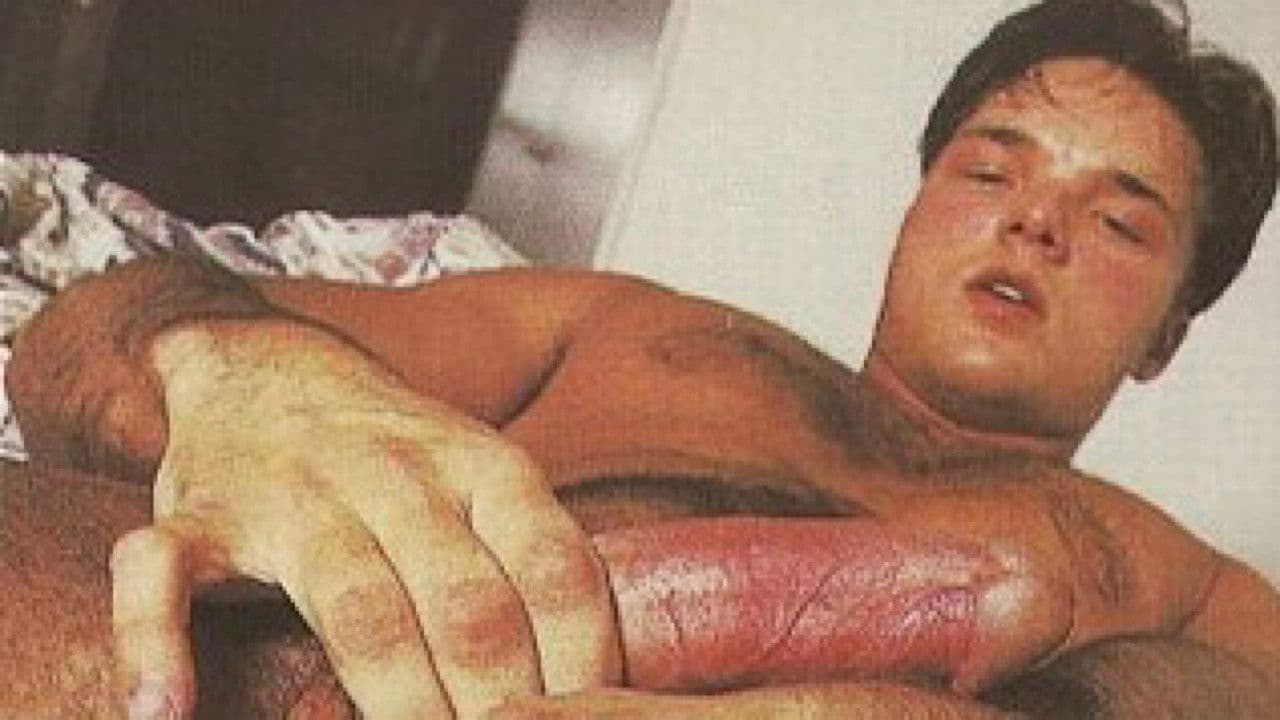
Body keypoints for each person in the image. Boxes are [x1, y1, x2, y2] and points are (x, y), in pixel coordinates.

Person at [3, 0, 1279, 716]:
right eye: (990, 170)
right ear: (914, 206)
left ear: (1168, 328)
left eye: (1119, 222)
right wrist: (239, 374)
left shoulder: (1181, 577)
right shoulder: (627, 325)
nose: (1034, 222)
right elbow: (83, 334)